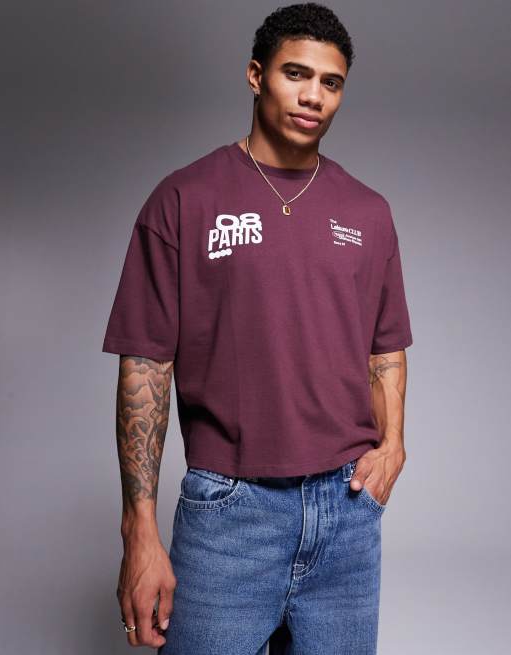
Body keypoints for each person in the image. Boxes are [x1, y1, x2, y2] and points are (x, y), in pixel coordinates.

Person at [102, 3, 413, 653]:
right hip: (229, 516)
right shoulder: (184, 200)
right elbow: (146, 365)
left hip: (346, 516)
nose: (313, 96)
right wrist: (139, 529)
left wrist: (393, 446)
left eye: (331, 83)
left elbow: (384, 347)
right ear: (255, 75)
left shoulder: (369, 211)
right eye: (295, 74)